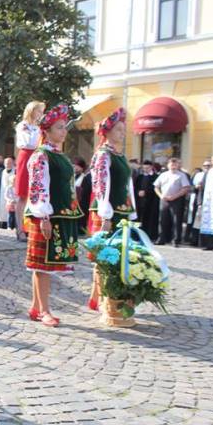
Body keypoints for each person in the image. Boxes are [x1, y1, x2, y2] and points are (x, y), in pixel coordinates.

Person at [24, 104, 82, 327]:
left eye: (64, 127)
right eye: (59, 127)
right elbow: (38, 188)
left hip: (59, 215)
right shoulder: (41, 155)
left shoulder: (58, 154)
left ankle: (36, 307)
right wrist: (44, 217)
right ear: (46, 131)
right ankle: (44, 310)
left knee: (43, 266)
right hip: (46, 216)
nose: (64, 131)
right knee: (42, 266)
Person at [86, 107, 136, 311]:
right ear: (107, 132)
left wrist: (131, 210)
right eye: (118, 130)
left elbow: (127, 185)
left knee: (118, 255)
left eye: (124, 130)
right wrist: (105, 214)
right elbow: (100, 185)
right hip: (106, 211)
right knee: (104, 255)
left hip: (121, 211)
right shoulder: (103, 155)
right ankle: (101, 299)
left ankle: (100, 298)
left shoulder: (120, 155)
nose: (122, 134)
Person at [14, 101, 45, 241]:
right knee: (23, 194)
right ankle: (20, 229)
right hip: (26, 156)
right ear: (32, 111)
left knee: (37, 193)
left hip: (38, 157)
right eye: (39, 111)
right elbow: (29, 142)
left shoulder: (39, 127)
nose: (41, 114)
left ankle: (33, 227)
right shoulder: (23, 125)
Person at [153, 157, 191, 247]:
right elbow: (156, 187)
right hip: (164, 199)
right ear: (168, 165)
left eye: (175, 164)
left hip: (177, 200)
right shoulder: (163, 175)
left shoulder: (181, 175)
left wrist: (174, 196)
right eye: (171, 164)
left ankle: (176, 240)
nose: (173, 166)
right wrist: (161, 196)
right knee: (162, 220)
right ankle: (161, 238)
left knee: (176, 220)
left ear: (178, 165)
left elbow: (186, 188)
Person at [135, 160, 159, 240]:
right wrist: (138, 192)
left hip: (151, 202)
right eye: (144, 168)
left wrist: (146, 192)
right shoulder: (140, 177)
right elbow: (135, 187)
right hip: (140, 202)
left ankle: (150, 235)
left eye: (147, 168)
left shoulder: (156, 177)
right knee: (139, 218)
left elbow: (155, 188)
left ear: (151, 167)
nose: (146, 169)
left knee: (150, 219)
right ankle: (138, 235)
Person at [199, 154, 213, 251]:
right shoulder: (208, 172)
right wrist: (200, 201)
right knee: (208, 223)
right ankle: (209, 244)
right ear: (212, 161)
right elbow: (202, 187)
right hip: (208, 202)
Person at [185, 165, 206, 245]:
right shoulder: (198, 175)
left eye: (208, 165)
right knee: (195, 221)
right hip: (197, 200)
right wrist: (196, 187)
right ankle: (194, 240)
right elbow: (190, 187)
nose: (206, 167)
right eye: (205, 165)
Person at [73, 157, 91, 235]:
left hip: (82, 203)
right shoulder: (72, 177)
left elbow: (86, 191)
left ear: (82, 168)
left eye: (78, 166)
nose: (76, 168)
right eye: (75, 166)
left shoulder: (85, 178)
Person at [0, 156, 15, 228]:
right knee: (3, 208)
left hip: (13, 194)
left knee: (12, 211)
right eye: (6, 163)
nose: (8, 164)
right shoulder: (2, 171)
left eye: (9, 163)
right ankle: (4, 224)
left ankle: (11, 225)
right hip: (3, 192)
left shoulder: (15, 171)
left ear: (13, 163)